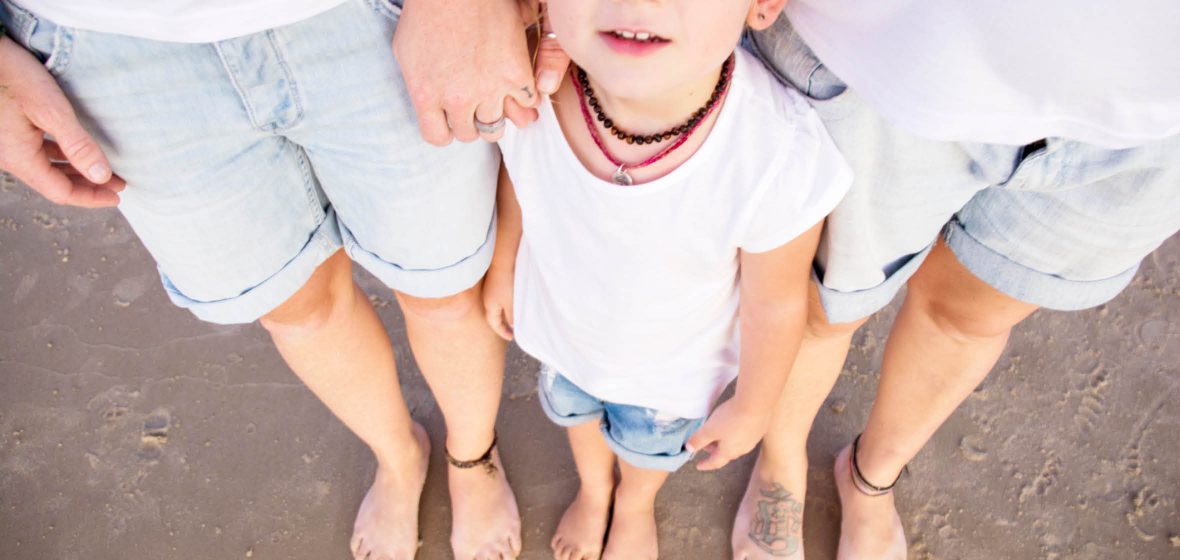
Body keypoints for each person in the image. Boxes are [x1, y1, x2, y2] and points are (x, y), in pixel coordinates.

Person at [0, 1, 563, 558]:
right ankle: (399, 457)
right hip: (110, 44)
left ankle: (472, 458)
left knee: (445, 285)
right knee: (294, 305)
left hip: (366, 14)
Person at [724, 2, 1180, 558]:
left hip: (1152, 121)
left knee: (968, 318)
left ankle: (871, 478)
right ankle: (780, 465)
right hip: (891, 47)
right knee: (821, 303)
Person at [483, 0, 851, 558]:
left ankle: (633, 505)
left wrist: (754, 405)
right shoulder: (530, 86)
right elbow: (523, 178)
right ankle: (595, 488)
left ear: (763, 5)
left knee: (647, 449)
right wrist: (504, 262)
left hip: (673, 374)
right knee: (574, 413)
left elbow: (774, 304)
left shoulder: (774, 154)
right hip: (563, 332)